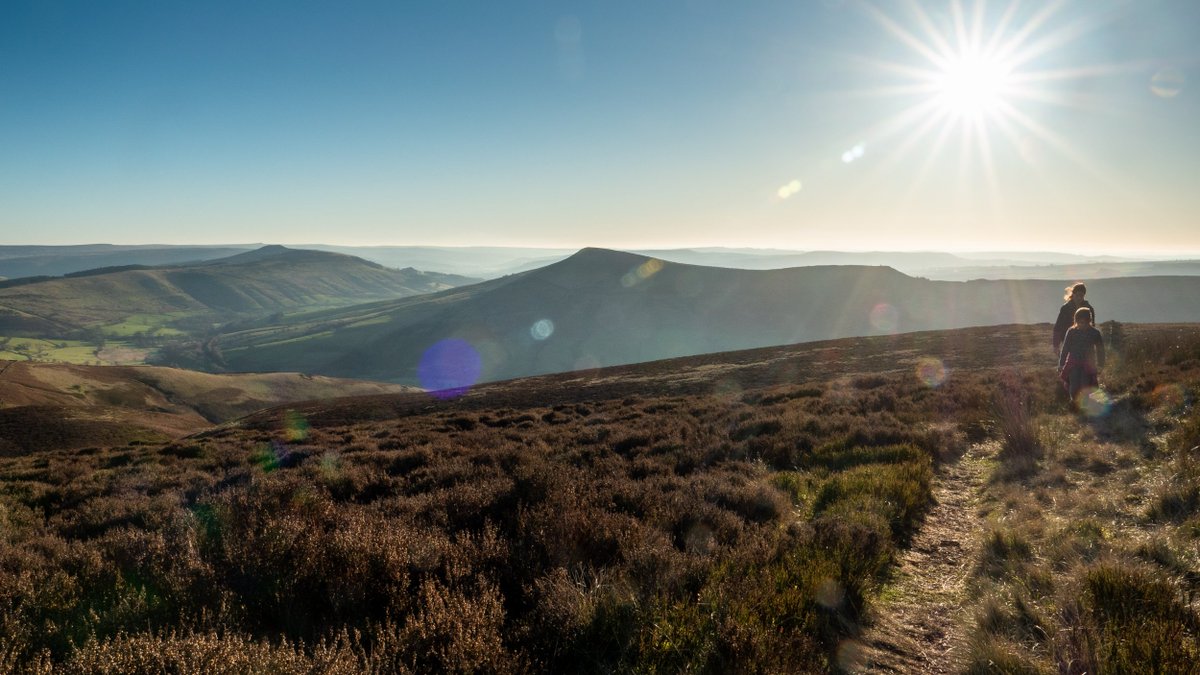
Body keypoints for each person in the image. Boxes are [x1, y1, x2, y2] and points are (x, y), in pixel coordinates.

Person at [1058, 306, 1105, 405]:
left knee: (1085, 386)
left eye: (1083, 322)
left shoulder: (1095, 333)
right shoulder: (1071, 332)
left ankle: (1086, 406)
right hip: (1073, 363)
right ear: (1075, 320)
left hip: (1087, 364)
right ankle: (1074, 404)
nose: (1080, 324)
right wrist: (1061, 364)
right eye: (1078, 322)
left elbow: (1100, 350)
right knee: (1074, 386)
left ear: (1089, 321)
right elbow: (1065, 348)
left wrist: (1101, 364)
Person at [1053, 282, 1094, 356]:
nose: (1079, 298)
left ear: (1084, 296)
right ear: (1073, 294)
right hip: (1068, 342)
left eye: (1081, 296)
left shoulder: (1089, 309)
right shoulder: (1065, 308)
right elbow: (1058, 327)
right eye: (1077, 295)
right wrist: (1056, 345)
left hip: (1084, 343)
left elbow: (1091, 327)